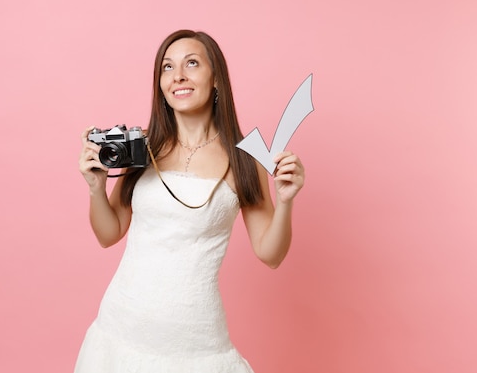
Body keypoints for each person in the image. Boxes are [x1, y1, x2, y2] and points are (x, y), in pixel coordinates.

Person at [75, 29, 305, 373]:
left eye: (192, 63)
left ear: (216, 79)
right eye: (167, 68)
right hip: (119, 332)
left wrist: (286, 201)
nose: (178, 76)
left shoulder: (245, 160)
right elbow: (109, 233)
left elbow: (270, 254)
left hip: (196, 343)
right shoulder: (142, 148)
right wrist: (96, 188)